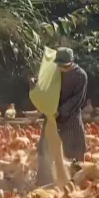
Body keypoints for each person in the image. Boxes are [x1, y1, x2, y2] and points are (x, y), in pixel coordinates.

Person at [35, 47, 88, 185]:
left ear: (71, 62)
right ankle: (44, 179)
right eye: (58, 65)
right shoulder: (53, 72)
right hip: (51, 116)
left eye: (64, 65)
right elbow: (44, 87)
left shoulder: (80, 76)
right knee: (45, 147)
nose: (60, 68)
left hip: (70, 117)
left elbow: (77, 99)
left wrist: (61, 110)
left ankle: (75, 180)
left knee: (74, 148)